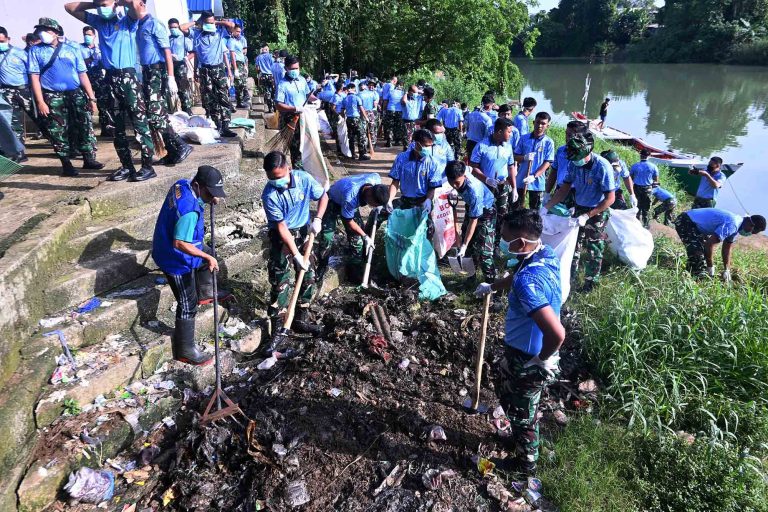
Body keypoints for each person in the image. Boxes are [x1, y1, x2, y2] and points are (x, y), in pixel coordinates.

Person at [474, 209, 564, 476]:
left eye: (504, 238)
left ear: (521, 243)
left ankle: (525, 465)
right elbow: (516, 275)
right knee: (506, 391)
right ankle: (518, 436)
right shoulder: (544, 255)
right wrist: (493, 286)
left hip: (530, 357)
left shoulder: (528, 283)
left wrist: (543, 359)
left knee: (523, 413)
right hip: (518, 351)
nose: (501, 241)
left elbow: (557, 333)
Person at [65, 0, 156, 182]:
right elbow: (69, 7)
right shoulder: (98, 22)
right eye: (101, 5)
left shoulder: (127, 22)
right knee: (116, 127)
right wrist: (96, 4)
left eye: (106, 4)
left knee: (140, 124)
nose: (103, 7)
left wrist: (115, 2)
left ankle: (147, 166)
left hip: (128, 78)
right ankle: (126, 166)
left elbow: (137, 6)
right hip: (110, 79)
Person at [151, 165, 231, 366]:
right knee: (187, 304)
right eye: (209, 193)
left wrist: (208, 199)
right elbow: (180, 243)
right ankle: (185, 350)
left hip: (175, 240)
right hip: (175, 258)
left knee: (208, 254)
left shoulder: (182, 185)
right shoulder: (189, 210)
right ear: (198, 185)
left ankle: (205, 291)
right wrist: (206, 257)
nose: (214, 198)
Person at [262, 150, 328, 337]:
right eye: (271, 178)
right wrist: (296, 255)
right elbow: (281, 227)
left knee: (308, 275)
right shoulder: (269, 194)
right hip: (281, 236)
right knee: (280, 280)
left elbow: (323, 196)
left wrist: (318, 219)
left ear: (288, 169)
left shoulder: (303, 179)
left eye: (279, 177)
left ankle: (300, 319)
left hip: (303, 231)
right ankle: (277, 327)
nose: (276, 181)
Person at [28, 17, 102, 177]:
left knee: (84, 126)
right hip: (52, 96)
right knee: (58, 131)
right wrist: (40, 102)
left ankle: (89, 159)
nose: (42, 34)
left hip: (75, 94)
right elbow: (34, 77)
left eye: (46, 30)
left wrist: (91, 98)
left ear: (55, 32)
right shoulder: (36, 51)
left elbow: (83, 74)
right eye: (40, 30)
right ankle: (66, 164)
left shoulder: (72, 48)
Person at [544, 132, 615, 292]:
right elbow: (565, 188)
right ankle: (570, 278)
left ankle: (590, 283)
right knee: (573, 244)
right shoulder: (573, 164)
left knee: (593, 248)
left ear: (587, 153)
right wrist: (547, 206)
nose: (575, 161)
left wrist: (588, 215)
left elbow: (610, 198)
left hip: (597, 211)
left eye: (578, 158)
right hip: (578, 207)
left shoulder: (602, 167)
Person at [132, 0, 192, 167]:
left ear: (142, 4)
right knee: (155, 115)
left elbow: (167, 52)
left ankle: (180, 145)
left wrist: (171, 77)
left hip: (157, 72)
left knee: (155, 113)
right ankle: (172, 150)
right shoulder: (137, 25)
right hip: (146, 71)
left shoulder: (154, 24)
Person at [319, 174, 389, 283]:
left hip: (350, 204)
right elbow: (349, 222)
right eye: (374, 204)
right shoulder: (350, 198)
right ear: (369, 195)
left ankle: (354, 270)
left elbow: (376, 176)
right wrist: (365, 236)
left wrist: (382, 204)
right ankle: (321, 269)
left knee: (358, 241)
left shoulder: (375, 180)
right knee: (326, 238)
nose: (373, 207)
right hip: (333, 201)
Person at [179, 12, 237, 137]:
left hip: (218, 70)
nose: (211, 25)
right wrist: (198, 22)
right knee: (210, 100)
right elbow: (182, 28)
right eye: (208, 22)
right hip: (205, 71)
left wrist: (215, 22)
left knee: (223, 98)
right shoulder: (197, 34)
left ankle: (226, 126)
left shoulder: (219, 32)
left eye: (212, 22)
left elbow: (232, 25)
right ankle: (218, 125)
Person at [675, 208, 765, 280]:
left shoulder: (737, 226)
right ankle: (694, 278)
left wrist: (727, 269)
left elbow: (727, 248)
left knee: (701, 255)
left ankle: (689, 271)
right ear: (750, 223)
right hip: (686, 221)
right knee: (699, 255)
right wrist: (710, 267)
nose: (750, 234)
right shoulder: (733, 224)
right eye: (753, 231)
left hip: (696, 227)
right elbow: (709, 244)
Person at [470, 117, 519, 249]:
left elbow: (510, 167)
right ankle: (475, 245)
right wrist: (486, 179)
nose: (511, 134)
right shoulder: (482, 145)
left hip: (502, 187)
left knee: (502, 216)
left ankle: (495, 245)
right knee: (483, 216)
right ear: (499, 131)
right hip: (485, 187)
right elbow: (473, 167)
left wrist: (514, 188)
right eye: (509, 132)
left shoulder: (508, 147)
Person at [445, 161, 496, 283]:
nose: (454, 186)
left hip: (486, 211)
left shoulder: (474, 191)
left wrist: (464, 245)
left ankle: (491, 285)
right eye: (451, 182)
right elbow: (468, 167)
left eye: (457, 183)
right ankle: (470, 278)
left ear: (464, 176)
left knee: (484, 250)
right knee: (469, 248)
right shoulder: (460, 171)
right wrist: (453, 188)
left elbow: (474, 222)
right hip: (472, 207)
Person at [387, 129, 442, 237]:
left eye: (431, 146)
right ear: (416, 144)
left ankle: (426, 251)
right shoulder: (402, 158)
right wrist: (389, 200)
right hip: (405, 200)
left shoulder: (433, 163)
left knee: (429, 229)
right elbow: (395, 182)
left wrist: (428, 200)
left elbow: (432, 187)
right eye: (426, 146)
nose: (428, 149)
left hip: (422, 201)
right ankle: (367, 246)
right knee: (378, 213)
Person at [0, 26, 35, 157]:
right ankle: (18, 152)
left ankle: (61, 147)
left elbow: (32, 72)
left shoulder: (20, 53)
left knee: (41, 119)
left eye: (2, 41)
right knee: (13, 122)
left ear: (8, 39)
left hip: (24, 90)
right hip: (6, 92)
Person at [513, 112, 555, 210]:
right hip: (521, 179)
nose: (539, 126)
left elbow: (547, 162)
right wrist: (524, 158)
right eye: (537, 122)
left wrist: (534, 176)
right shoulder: (524, 138)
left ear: (547, 125)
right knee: (516, 209)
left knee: (535, 211)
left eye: (543, 124)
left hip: (537, 182)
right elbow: (515, 156)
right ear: (533, 122)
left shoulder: (549, 142)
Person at [79, 25, 114, 137]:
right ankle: (87, 131)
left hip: (99, 77)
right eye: (85, 35)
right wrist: (90, 59)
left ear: (94, 36)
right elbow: (78, 62)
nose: (87, 37)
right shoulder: (79, 48)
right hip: (85, 77)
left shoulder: (99, 48)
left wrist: (100, 59)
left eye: (89, 35)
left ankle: (106, 128)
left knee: (104, 103)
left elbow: (106, 62)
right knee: (86, 103)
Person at [545, 120, 585, 208]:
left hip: (577, 193)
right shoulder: (561, 151)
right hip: (560, 190)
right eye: (566, 134)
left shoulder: (585, 155)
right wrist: (547, 193)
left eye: (570, 135)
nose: (567, 138)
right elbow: (553, 172)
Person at [168, 18, 194, 114]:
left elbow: (193, 52)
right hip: (170, 66)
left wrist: (186, 58)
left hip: (181, 65)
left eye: (175, 27)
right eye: (171, 27)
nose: (173, 29)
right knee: (170, 89)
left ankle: (187, 109)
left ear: (178, 27)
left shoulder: (184, 39)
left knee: (183, 89)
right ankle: (172, 110)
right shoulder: (168, 39)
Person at [339, 82, 369, 161]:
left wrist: (343, 117)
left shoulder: (345, 99)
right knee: (361, 136)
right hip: (356, 118)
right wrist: (366, 118)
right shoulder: (357, 98)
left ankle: (352, 154)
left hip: (349, 119)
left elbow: (342, 111)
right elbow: (362, 109)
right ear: (354, 89)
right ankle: (361, 154)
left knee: (351, 137)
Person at [629, 149, 659, 227]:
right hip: (648, 189)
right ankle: (645, 225)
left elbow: (630, 179)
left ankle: (636, 223)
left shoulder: (635, 166)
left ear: (640, 155)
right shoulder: (653, 166)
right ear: (648, 156)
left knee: (637, 205)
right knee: (646, 207)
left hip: (636, 187)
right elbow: (656, 180)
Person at [227, 24, 249, 108]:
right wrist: (235, 68)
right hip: (236, 63)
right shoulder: (231, 41)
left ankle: (242, 100)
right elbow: (232, 55)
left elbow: (242, 54)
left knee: (243, 82)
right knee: (239, 83)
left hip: (241, 63)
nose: (239, 33)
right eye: (237, 31)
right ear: (233, 31)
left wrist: (245, 65)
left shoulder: (238, 41)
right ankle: (240, 101)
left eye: (240, 31)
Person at [383, 80, 404, 147]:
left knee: (390, 125)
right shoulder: (403, 93)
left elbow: (385, 101)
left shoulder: (390, 92)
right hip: (399, 111)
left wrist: (384, 109)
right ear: (402, 86)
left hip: (390, 110)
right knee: (398, 126)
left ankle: (389, 141)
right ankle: (397, 141)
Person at [359, 79, 379, 147]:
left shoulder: (375, 93)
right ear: (367, 86)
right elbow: (374, 104)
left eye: (373, 86)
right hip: (370, 112)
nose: (371, 87)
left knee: (372, 129)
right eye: (370, 85)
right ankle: (368, 143)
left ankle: (372, 144)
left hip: (373, 112)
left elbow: (375, 105)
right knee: (367, 129)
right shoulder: (369, 93)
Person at [401, 84, 420, 150]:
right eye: (414, 92)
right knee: (407, 141)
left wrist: (418, 91)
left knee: (415, 141)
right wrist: (406, 93)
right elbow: (403, 101)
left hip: (415, 122)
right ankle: (406, 155)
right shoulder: (405, 99)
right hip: (407, 122)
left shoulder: (417, 99)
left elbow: (424, 93)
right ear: (410, 92)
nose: (416, 94)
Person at [254, 45, 274, 111]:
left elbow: (257, 68)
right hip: (271, 75)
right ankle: (274, 106)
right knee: (273, 90)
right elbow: (273, 66)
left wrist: (258, 73)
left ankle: (270, 107)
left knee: (267, 91)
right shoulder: (271, 56)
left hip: (263, 75)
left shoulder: (258, 57)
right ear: (267, 50)